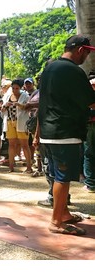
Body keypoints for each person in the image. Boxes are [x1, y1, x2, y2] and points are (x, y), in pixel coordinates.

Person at [39, 35, 95, 236]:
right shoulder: (73, 70)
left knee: (58, 176)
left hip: (49, 132)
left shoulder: (50, 68)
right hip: (65, 133)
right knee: (63, 178)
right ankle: (56, 222)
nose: (87, 57)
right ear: (80, 49)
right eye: (87, 52)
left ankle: (63, 214)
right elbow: (91, 101)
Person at [1, 79, 32, 173]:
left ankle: (29, 167)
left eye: (17, 88)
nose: (14, 90)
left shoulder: (25, 96)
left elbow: (28, 107)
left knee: (24, 145)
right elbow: (2, 109)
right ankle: (11, 166)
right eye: (13, 88)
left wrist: (19, 104)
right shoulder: (8, 96)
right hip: (10, 121)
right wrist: (5, 105)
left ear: (21, 88)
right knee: (11, 144)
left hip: (21, 122)